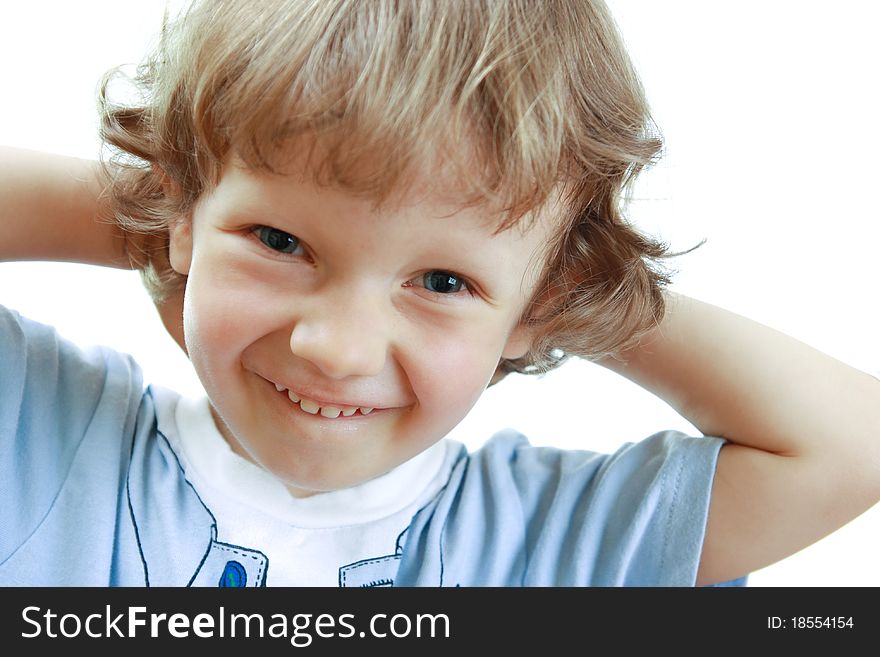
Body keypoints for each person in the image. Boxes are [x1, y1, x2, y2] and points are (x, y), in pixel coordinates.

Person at [1, 0, 877, 587]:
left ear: (539, 305)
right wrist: (165, 216)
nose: (337, 347)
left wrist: (568, 296)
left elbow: (851, 444)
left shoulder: (548, 544)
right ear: (185, 207)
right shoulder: (45, 440)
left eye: (443, 280)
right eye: (279, 239)